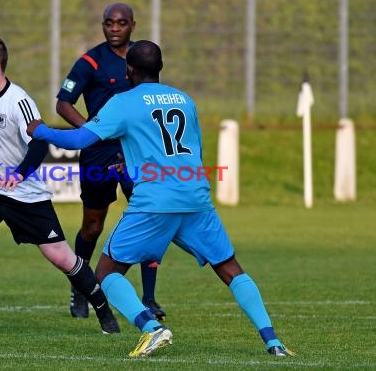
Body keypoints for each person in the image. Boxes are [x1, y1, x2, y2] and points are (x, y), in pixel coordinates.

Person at [27, 40, 295, 358]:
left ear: (129, 70)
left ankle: (152, 329)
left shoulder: (122, 102)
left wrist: (41, 130)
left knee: (106, 274)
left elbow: (80, 139)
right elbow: (189, 148)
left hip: (155, 200)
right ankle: (273, 342)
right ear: (160, 68)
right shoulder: (185, 100)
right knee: (229, 268)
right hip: (195, 195)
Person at [0, 35, 120, 335]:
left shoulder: (19, 101)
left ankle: (105, 313)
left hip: (24, 196)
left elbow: (39, 143)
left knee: (62, 258)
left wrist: (19, 173)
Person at [56, 2, 166, 321]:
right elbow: (63, 103)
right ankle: (80, 289)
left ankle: (149, 297)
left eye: (121, 23)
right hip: (99, 154)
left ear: (133, 25)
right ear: (103, 26)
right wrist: (90, 132)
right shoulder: (90, 61)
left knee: (148, 218)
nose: (114, 28)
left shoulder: (141, 60)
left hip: (136, 150)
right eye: (108, 23)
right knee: (92, 226)